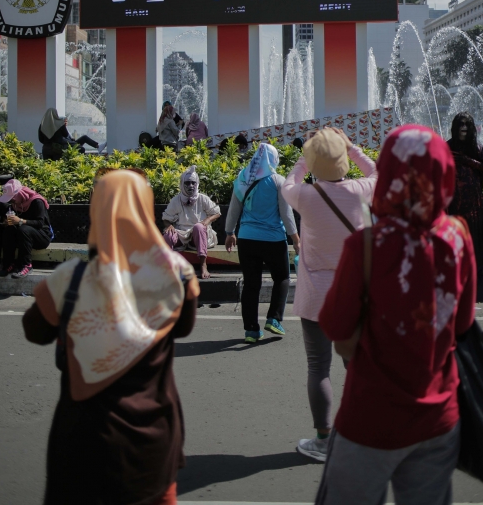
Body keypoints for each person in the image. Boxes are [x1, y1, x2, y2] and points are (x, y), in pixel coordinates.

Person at [315, 125, 476, 505]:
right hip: (439, 421)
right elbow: (463, 323)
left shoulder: (366, 247)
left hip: (370, 420)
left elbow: (338, 334)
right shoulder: (458, 237)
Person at [22, 169, 200, 505]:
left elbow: (35, 331)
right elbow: (185, 327)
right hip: (153, 448)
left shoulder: (69, 281)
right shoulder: (177, 274)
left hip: (81, 451)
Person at [281, 128, 377, 462]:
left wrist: (304, 160)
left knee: (318, 368)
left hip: (316, 298)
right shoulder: (360, 191)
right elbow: (378, 173)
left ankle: (324, 440)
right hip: (355, 297)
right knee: (357, 367)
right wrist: (352, 149)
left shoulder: (306, 197)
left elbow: (287, 183)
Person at [225, 142, 299, 343]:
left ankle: (251, 330)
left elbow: (234, 209)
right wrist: (296, 238)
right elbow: (286, 214)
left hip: (247, 239)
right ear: (272, 159)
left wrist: (230, 232)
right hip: (273, 240)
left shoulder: (243, 178)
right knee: (282, 278)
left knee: (251, 284)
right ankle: (274, 318)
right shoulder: (278, 181)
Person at [447, 112, 483, 277]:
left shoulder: (477, 147)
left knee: (474, 234)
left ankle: (476, 268)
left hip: (473, 201)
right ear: (455, 127)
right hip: (453, 200)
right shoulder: (448, 146)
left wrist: (467, 161)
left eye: (467, 125)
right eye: (461, 125)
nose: (464, 128)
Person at [162, 165, 221, 279]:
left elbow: (217, 213)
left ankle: (203, 265)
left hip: (199, 234)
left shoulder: (203, 198)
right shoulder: (176, 200)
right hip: (182, 233)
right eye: (187, 183)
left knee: (199, 227)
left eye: (193, 183)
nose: (191, 186)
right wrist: (169, 226)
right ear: (182, 184)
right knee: (168, 235)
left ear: (197, 183)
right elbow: (166, 218)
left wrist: (207, 220)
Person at [0, 178, 53, 278]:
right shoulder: (15, 204)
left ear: (19, 194)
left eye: (12, 198)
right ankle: (8, 264)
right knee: (9, 230)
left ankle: (26, 265)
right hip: (24, 238)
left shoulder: (37, 202)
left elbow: (40, 223)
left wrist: (21, 221)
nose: (11, 201)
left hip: (42, 236)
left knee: (24, 229)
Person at [38, 107, 105, 159]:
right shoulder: (59, 124)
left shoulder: (42, 126)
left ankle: (98, 146)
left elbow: (40, 139)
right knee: (81, 149)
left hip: (46, 150)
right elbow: (66, 134)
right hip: (59, 149)